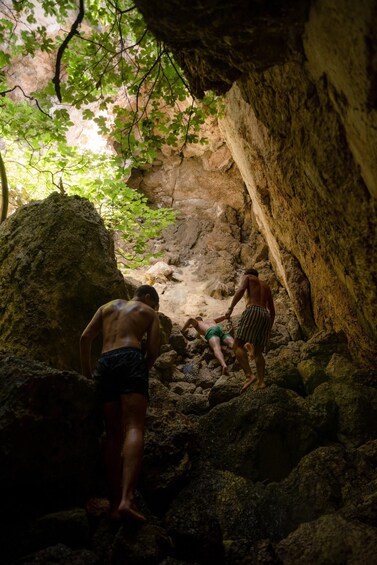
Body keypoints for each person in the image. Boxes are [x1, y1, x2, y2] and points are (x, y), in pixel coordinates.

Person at [80, 285, 160, 522]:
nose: (154, 308)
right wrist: (140, 370)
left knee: (112, 434)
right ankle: (127, 499)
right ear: (147, 298)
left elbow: (85, 338)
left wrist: (88, 376)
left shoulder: (106, 307)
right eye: (154, 304)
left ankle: (114, 505)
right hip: (131, 358)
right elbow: (153, 351)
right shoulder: (149, 313)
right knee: (134, 427)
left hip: (105, 363)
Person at [225, 268, 275, 392]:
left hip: (253, 310)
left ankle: (249, 375)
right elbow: (273, 311)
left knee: (237, 345)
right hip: (266, 315)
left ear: (247, 274)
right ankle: (261, 382)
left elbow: (241, 290)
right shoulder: (267, 286)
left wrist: (230, 308)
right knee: (258, 352)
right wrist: (268, 329)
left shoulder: (248, 278)